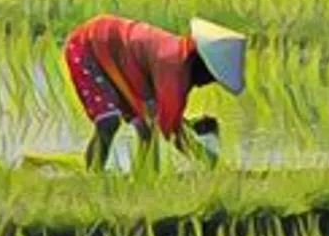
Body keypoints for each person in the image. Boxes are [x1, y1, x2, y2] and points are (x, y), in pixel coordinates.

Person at [63, 14, 246, 171]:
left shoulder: (180, 59)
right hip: (87, 47)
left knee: (146, 125)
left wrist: (187, 126)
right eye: (210, 76)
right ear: (202, 64)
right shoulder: (173, 65)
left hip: (119, 60)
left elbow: (162, 116)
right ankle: (94, 176)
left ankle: (143, 176)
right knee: (108, 122)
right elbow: (170, 130)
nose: (205, 84)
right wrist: (211, 162)